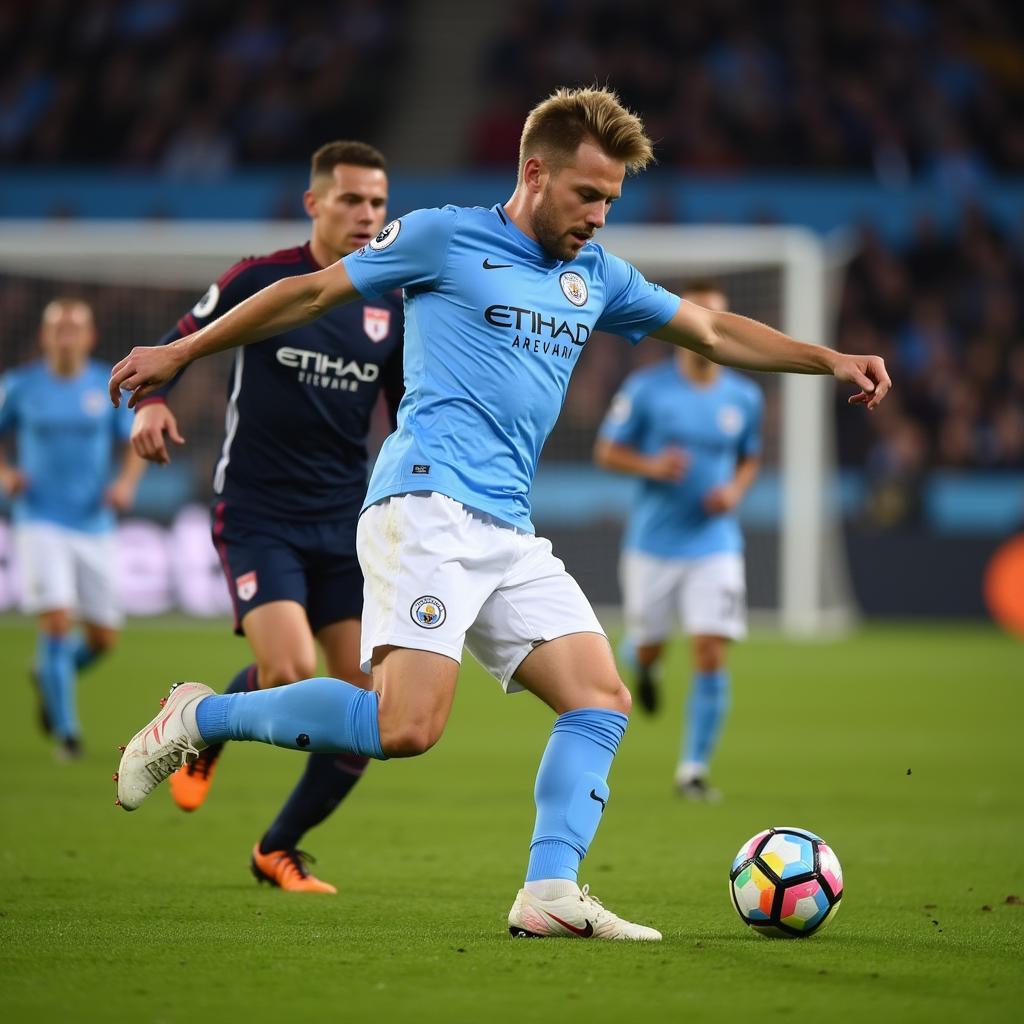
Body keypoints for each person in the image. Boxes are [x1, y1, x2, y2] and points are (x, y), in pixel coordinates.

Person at [108, 86, 890, 941]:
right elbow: (307, 295)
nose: (599, 216)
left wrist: (828, 360)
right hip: (427, 505)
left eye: (611, 201)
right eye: (588, 194)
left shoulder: (598, 276)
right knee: (405, 729)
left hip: (508, 526)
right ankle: (195, 715)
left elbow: (710, 332)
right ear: (534, 173)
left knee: (600, 698)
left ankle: (549, 891)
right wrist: (181, 350)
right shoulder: (443, 236)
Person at [130, 140, 403, 893]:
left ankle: (276, 846)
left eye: (379, 203)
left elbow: (410, 411)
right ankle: (202, 722)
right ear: (314, 203)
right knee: (291, 670)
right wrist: (150, 403)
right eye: (352, 200)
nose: (368, 215)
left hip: (347, 524)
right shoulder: (262, 278)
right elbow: (175, 344)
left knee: (369, 711)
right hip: (260, 514)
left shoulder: (389, 303)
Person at [594, 280, 761, 801]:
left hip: (714, 543)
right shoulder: (647, 389)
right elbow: (607, 452)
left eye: (722, 318)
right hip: (653, 544)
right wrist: (653, 464)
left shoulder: (744, 395)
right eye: (704, 317)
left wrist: (734, 490)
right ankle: (643, 662)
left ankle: (692, 769)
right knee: (648, 645)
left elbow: (750, 455)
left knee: (711, 649)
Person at [0, 297, 145, 759]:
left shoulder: (107, 385)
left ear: (90, 336)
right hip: (38, 517)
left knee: (103, 638)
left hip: (93, 521)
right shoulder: (20, 387)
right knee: (58, 621)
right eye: (57, 327)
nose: (65, 335)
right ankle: (67, 733)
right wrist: (5, 474)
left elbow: (135, 444)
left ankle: (48, 673)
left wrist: (124, 484)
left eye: (74, 327)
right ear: (44, 336)